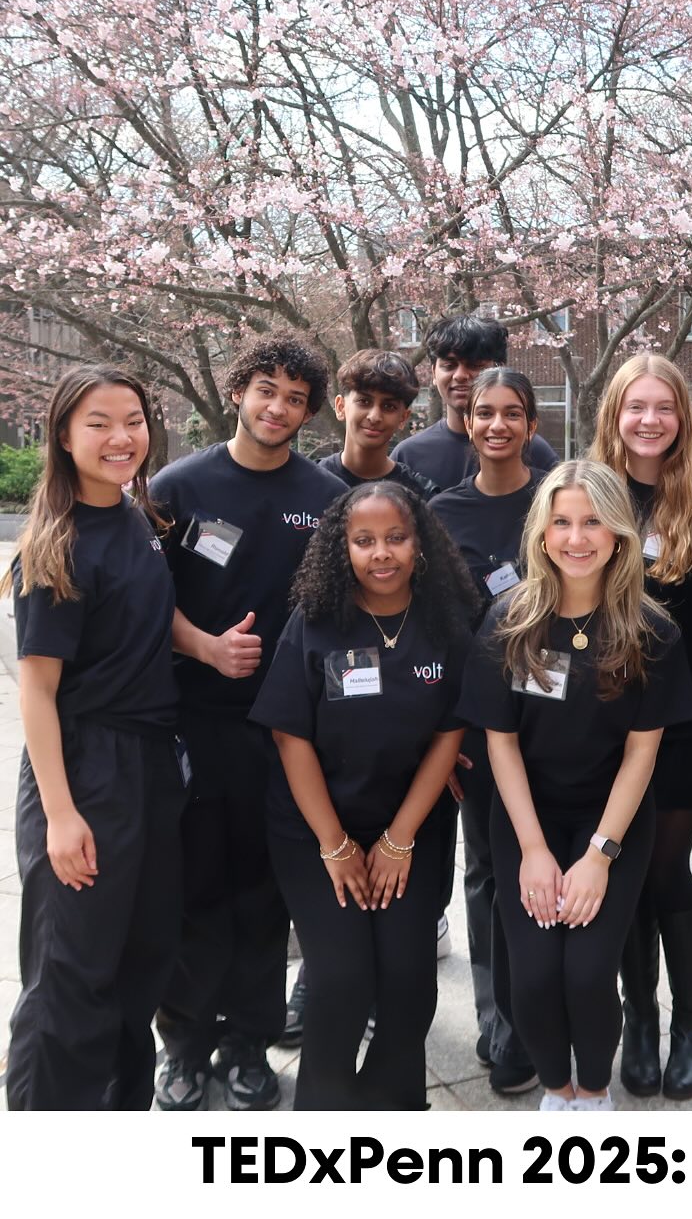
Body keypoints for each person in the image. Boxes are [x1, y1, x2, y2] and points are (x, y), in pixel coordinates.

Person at [458, 461, 692, 1110]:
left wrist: (599, 855)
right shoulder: (509, 619)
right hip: (526, 818)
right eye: (561, 521)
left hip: (611, 823)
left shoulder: (653, 630)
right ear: (541, 534)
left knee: (588, 973)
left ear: (618, 533)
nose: (576, 536)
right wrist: (534, 852)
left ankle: (592, 1094)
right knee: (533, 979)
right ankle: (557, 1092)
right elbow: (499, 742)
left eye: (592, 520)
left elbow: (642, 754)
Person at [151, 332, 344, 1111]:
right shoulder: (178, 486)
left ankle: (248, 1042)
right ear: (238, 392)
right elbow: (143, 597)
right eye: (267, 390)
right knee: (194, 888)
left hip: (286, 735)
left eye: (296, 398)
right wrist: (203, 646)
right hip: (196, 721)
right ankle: (184, 1043)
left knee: (267, 894)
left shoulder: (324, 496)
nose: (279, 407)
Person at [248, 482, 477, 1108]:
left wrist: (399, 840)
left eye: (397, 538)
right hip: (316, 830)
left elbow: (449, 732)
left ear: (421, 545)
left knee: (408, 983)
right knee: (343, 979)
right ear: (340, 547)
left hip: (411, 827)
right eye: (364, 540)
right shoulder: (317, 619)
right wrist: (338, 845)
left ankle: (392, 1114)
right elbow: (289, 735)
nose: (382, 553)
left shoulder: (445, 620)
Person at [3, 366, 186, 1110]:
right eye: (99, 423)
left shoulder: (136, 516)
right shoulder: (55, 547)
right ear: (63, 435)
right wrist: (62, 814)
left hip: (149, 763)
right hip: (86, 769)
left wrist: (203, 647)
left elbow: (143, 614)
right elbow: (37, 692)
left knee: (140, 963)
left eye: (133, 420)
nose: (121, 438)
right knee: (71, 976)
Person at [588, 353, 692, 1099]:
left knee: (663, 867)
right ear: (613, 413)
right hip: (606, 706)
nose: (649, 420)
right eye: (635, 406)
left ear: (683, 415)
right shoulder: (587, 493)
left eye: (664, 407)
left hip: (691, 703)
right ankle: (638, 1018)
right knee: (621, 865)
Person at [431, 368, 548, 1096]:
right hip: (479, 721)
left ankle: (550, 1009)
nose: (497, 424)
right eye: (484, 413)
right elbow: (438, 632)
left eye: (512, 412)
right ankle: (503, 1022)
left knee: (551, 865)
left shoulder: (561, 498)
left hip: (565, 718)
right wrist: (440, 736)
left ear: (532, 423)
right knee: (487, 873)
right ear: (467, 422)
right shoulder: (443, 512)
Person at [391, 314, 559, 491]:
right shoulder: (408, 456)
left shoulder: (536, 453)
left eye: (474, 365)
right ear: (433, 373)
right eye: (449, 366)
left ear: (498, 370)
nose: (460, 375)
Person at [319, 348, 439, 501]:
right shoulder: (310, 482)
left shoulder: (421, 496)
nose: (374, 417)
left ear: (403, 418)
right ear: (340, 407)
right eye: (364, 402)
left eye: (389, 407)